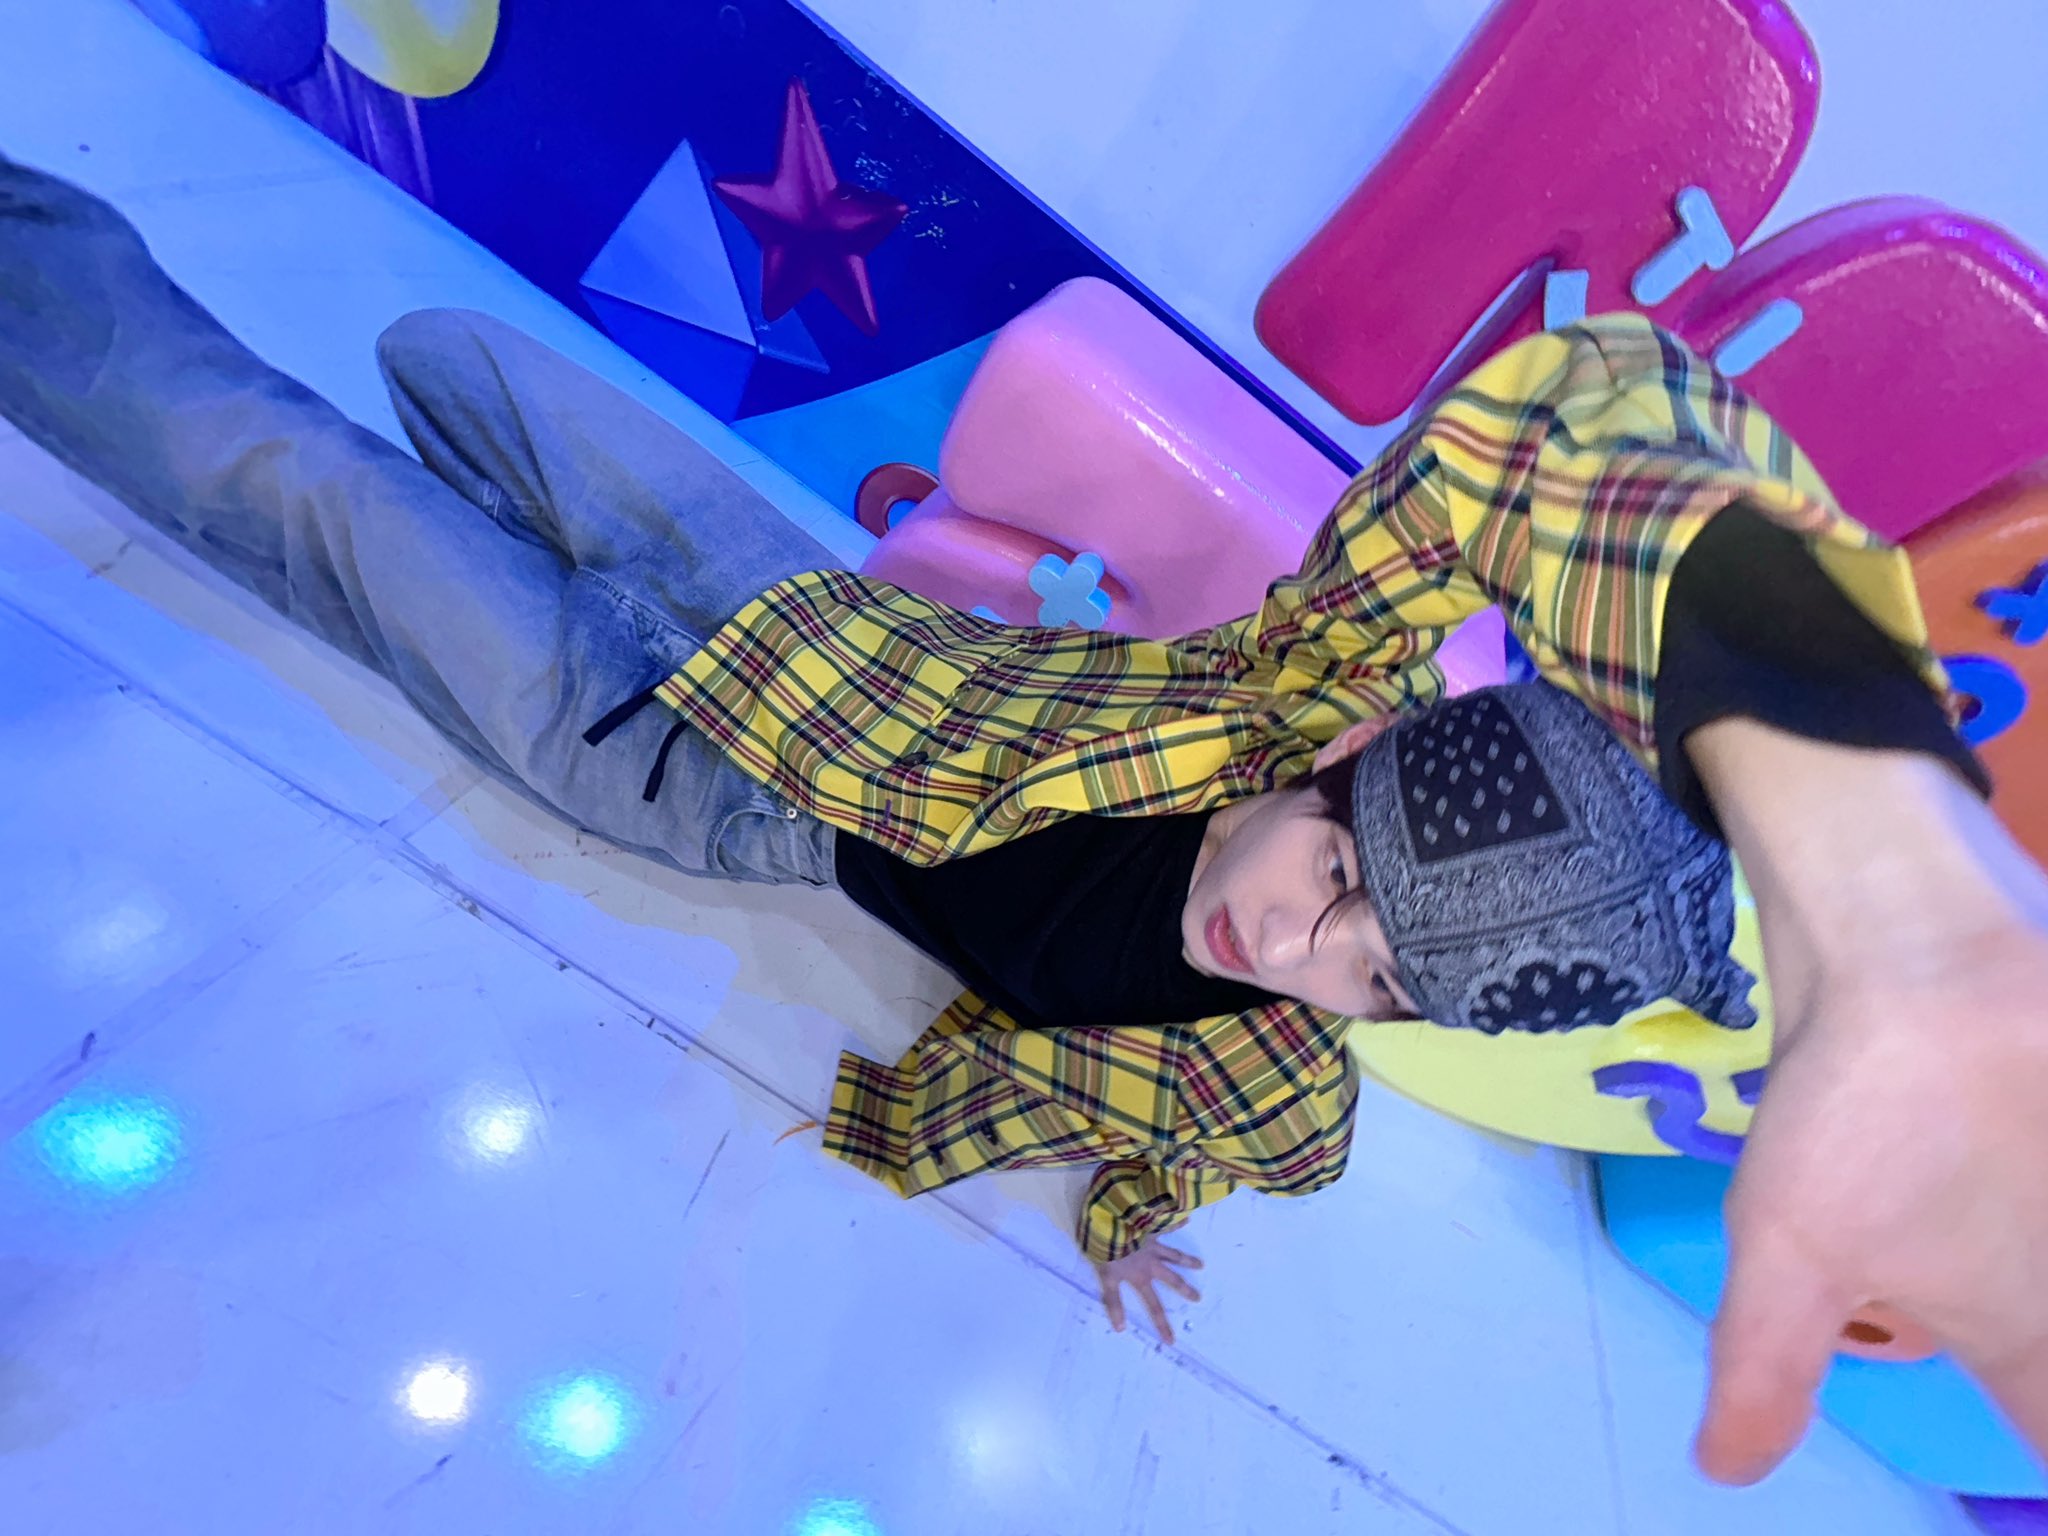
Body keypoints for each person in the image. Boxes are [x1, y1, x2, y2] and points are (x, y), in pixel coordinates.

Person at [2, 155, 2044, 1488]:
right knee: (440, 361)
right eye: (1341, 870)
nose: (1299, 944)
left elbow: (1170, 1145)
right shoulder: (1293, 681)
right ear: (1339, 761)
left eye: (1376, 974)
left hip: (675, 780)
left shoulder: (1278, 1093)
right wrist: (1862, 819)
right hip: (785, 611)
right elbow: (1567, 419)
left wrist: (1121, 1238)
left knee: (289, 486)